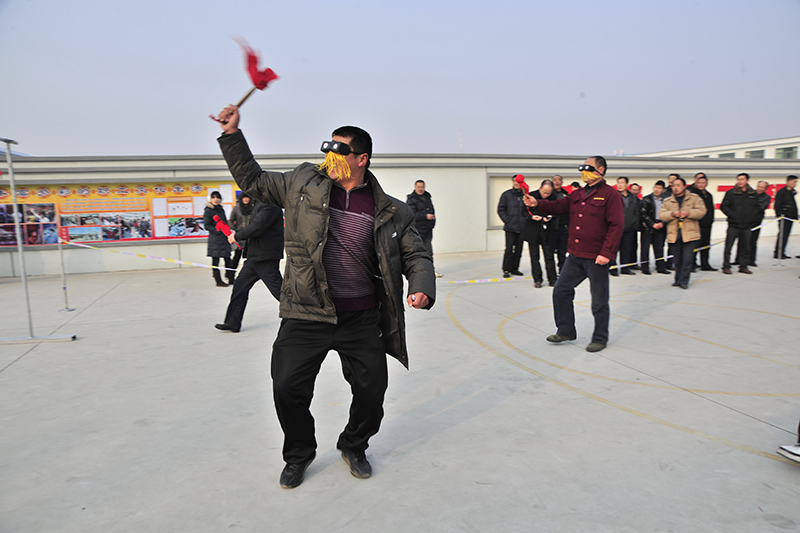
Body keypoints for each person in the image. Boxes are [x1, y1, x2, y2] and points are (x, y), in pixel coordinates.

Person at [215, 105, 436, 489]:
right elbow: (252, 179)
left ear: (361, 159)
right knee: (286, 387)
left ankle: (354, 445)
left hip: (361, 317)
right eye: (327, 148)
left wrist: (421, 285)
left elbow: (416, 255)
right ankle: (299, 454)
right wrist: (232, 135)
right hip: (306, 313)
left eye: (339, 150)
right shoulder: (301, 183)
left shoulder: (391, 210)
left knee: (371, 392)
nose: (329, 156)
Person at [524, 156, 623, 353]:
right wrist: (536, 204)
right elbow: (558, 207)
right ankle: (566, 330)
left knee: (599, 300)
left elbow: (616, 225)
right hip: (576, 255)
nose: (584, 171)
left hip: (597, 257)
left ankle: (600, 338)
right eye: (582, 168)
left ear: (601, 170)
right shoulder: (577, 194)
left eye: (589, 168)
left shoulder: (610, 195)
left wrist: (606, 253)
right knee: (561, 291)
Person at [215, 199, 285, 333]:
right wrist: (236, 233)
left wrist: (237, 236)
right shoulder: (259, 203)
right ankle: (232, 322)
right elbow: (253, 226)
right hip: (254, 257)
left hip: (265, 257)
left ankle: (306, 318)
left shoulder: (270, 205)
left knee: (280, 292)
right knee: (239, 288)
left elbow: (257, 227)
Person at [658, 177, 706, 289]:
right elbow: (661, 214)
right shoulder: (667, 201)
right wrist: (672, 214)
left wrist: (688, 213)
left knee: (687, 259)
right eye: (674, 186)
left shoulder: (694, 198)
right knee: (677, 260)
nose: (676, 188)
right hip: (674, 235)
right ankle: (677, 280)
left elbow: (702, 211)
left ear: (684, 186)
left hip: (690, 235)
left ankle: (684, 281)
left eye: (678, 186)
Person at [521, 179, 558, 288]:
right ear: (540, 188)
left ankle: (552, 279)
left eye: (548, 193)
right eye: (544, 192)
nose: (546, 195)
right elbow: (523, 211)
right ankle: (537, 279)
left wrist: (551, 216)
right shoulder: (531, 196)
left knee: (549, 256)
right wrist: (532, 217)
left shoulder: (554, 197)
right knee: (534, 256)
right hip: (533, 230)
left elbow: (557, 210)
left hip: (547, 230)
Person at [720, 173, 758, 275]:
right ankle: (726, 266)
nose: (740, 181)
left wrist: (751, 217)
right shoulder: (731, 193)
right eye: (738, 179)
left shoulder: (753, 194)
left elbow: (757, 208)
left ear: (747, 181)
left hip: (747, 226)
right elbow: (724, 206)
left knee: (746, 247)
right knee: (728, 247)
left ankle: (743, 266)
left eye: (742, 179)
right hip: (734, 225)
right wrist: (732, 215)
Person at [406, 180, 441, 277]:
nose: (420, 189)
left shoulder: (427, 197)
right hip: (417, 230)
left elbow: (432, 211)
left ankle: (431, 271)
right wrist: (425, 216)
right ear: (415, 187)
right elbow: (411, 214)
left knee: (429, 251)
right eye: (418, 187)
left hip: (427, 230)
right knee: (418, 252)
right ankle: (418, 272)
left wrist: (432, 223)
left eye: (422, 187)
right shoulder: (411, 199)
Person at [497, 175, 527, 278]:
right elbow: (501, 209)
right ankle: (506, 269)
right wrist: (507, 221)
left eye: (518, 181)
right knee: (509, 249)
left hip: (522, 228)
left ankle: (515, 268)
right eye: (514, 181)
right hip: (510, 228)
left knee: (518, 250)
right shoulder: (506, 195)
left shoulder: (526, 195)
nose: (516, 183)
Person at [203, 190, 234, 287]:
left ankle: (231, 278)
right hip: (215, 239)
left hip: (224, 238)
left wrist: (228, 230)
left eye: (218, 197)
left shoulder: (221, 209)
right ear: (210, 199)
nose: (216, 199)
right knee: (215, 260)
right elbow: (207, 225)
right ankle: (218, 280)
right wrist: (218, 230)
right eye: (213, 197)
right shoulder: (208, 210)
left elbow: (224, 222)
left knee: (228, 259)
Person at [687, 173, 717, 271]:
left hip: (707, 225)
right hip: (696, 224)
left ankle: (705, 264)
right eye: (699, 183)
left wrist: (711, 221)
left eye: (703, 183)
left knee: (706, 246)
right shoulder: (693, 195)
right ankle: (691, 264)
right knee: (694, 245)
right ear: (696, 182)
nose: (701, 185)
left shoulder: (708, 195)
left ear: (706, 183)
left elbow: (711, 210)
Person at [639, 180, 669, 275]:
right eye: (656, 187)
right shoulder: (646, 199)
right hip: (648, 228)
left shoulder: (666, 200)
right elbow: (643, 214)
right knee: (645, 249)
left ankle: (661, 267)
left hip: (660, 226)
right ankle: (645, 268)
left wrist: (662, 223)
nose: (657, 190)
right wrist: (652, 224)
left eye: (659, 188)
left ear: (663, 190)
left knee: (659, 248)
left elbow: (667, 214)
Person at [614, 176, 640, 275]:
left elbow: (636, 213)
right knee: (613, 250)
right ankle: (613, 268)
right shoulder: (614, 196)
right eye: (618, 183)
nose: (620, 185)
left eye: (622, 183)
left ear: (627, 185)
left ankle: (625, 268)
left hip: (629, 228)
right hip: (616, 228)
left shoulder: (633, 198)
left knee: (626, 250)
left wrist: (634, 225)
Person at [744, 180, 771, 267]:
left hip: (757, 222)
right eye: (759, 186)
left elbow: (762, 208)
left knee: (753, 241)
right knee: (743, 241)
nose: (760, 189)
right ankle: (739, 260)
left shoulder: (767, 197)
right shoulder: (750, 194)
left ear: (765, 189)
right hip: (746, 221)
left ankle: (751, 260)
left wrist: (753, 206)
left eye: (762, 187)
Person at [774, 175, 798, 260]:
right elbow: (777, 205)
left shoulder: (791, 192)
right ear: (789, 182)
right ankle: (778, 253)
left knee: (786, 235)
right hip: (784, 217)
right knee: (782, 235)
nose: (795, 184)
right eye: (794, 182)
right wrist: (779, 215)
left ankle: (782, 252)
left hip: (790, 217)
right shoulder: (782, 192)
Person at [229, 193, 254, 271]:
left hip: (250, 236)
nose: (245, 199)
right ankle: (231, 274)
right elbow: (230, 221)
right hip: (239, 236)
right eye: (244, 197)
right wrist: (234, 231)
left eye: (247, 197)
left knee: (250, 256)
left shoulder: (253, 209)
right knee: (237, 256)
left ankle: (249, 273)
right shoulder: (236, 208)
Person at [551, 175, 570, 273]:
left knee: (562, 250)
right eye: (555, 180)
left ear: (562, 182)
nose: (557, 182)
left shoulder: (566, 194)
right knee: (550, 251)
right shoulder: (549, 194)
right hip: (551, 226)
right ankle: (551, 272)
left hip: (563, 226)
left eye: (559, 180)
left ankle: (562, 270)